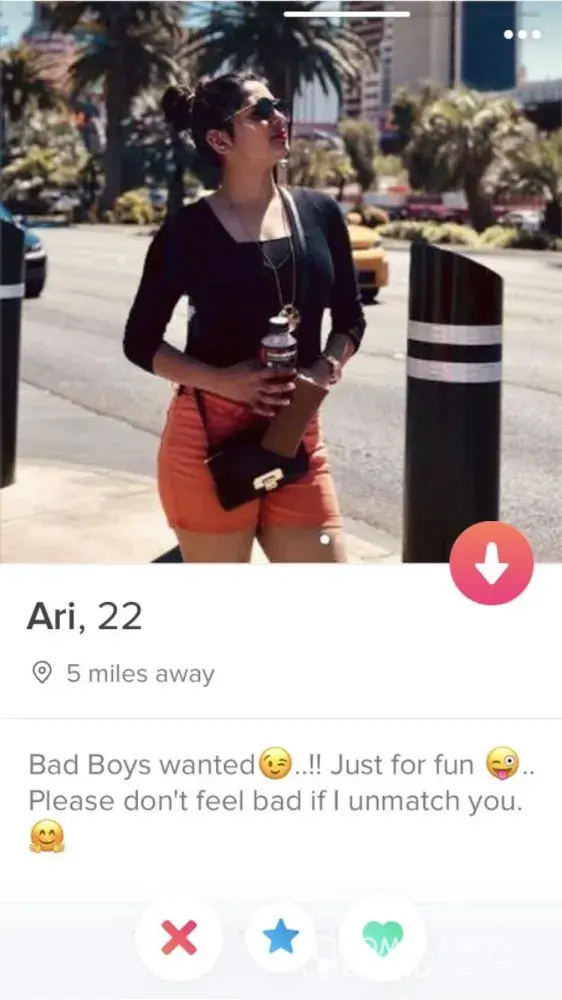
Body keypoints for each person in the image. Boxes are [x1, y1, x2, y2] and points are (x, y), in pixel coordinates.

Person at [123, 72, 366, 563]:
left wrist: (325, 368)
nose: (280, 117)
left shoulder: (321, 214)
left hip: (295, 435)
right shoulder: (187, 231)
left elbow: (350, 319)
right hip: (207, 440)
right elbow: (140, 341)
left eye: (279, 105)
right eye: (260, 111)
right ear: (220, 140)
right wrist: (222, 382)